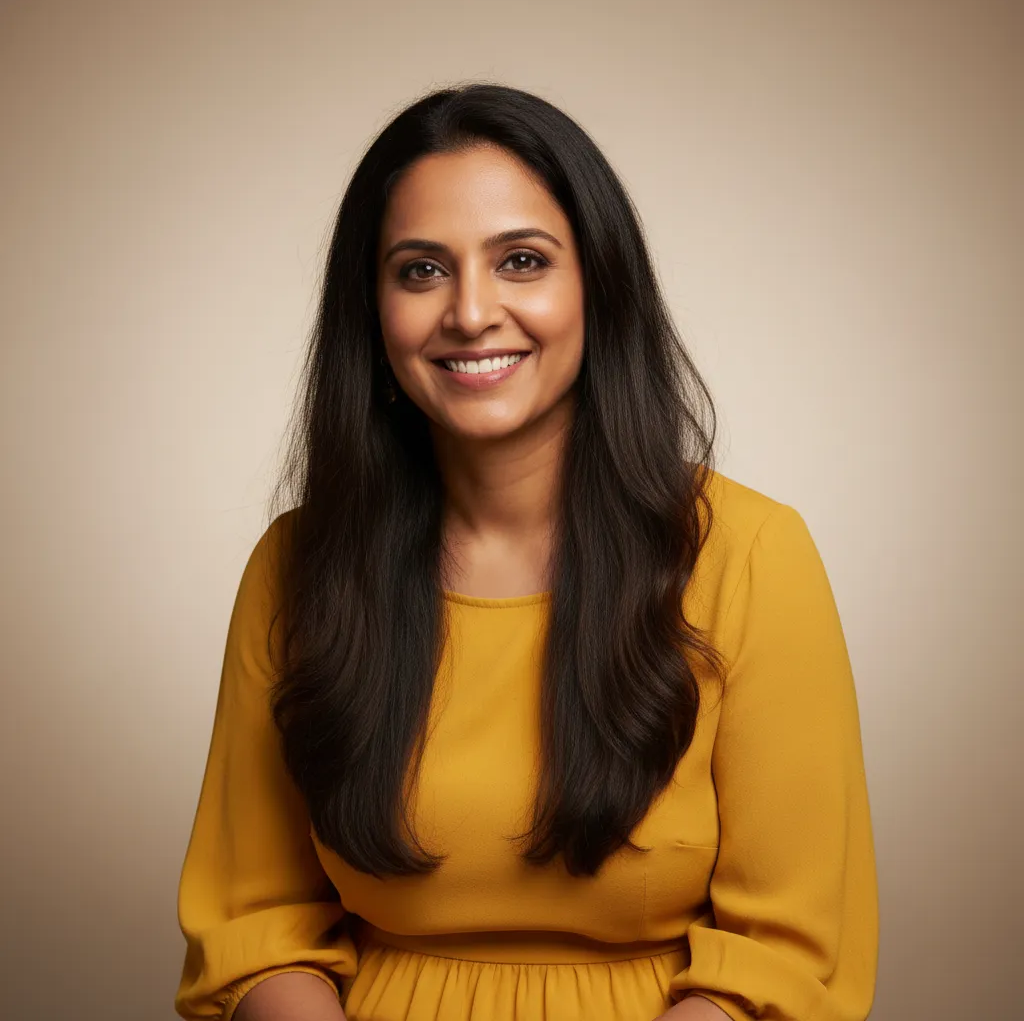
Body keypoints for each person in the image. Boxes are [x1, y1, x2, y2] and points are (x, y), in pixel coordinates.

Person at [174, 83, 878, 1021]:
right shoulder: (298, 566)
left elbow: (784, 956)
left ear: (599, 283)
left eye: (521, 261)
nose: (471, 312)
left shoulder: (752, 555)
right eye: (421, 270)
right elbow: (253, 923)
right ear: (372, 312)